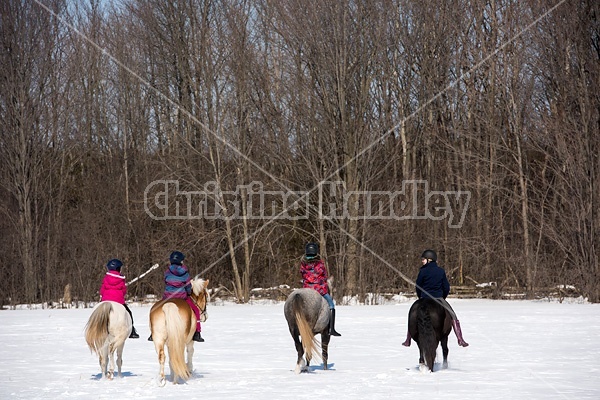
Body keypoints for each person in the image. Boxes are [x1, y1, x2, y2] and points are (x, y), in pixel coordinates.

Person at [402, 249, 469, 347]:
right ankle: (460, 339)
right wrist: (443, 297)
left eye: (423, 259)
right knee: (452, 315)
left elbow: (418, 286)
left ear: (429, 260)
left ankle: (408, 340)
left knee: (413, 315)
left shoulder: (422, 271)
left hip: (424, 298)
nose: (422, 261)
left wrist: (420, 296)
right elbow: (446, 287)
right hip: (438, 298)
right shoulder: (441, 271)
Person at [148, 251, 204, 342]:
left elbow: (166, 282)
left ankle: (153, 333)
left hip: (168, 297)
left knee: (155, 309)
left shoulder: (167, 272)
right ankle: (197, 332)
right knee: (196, 310)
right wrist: (188, 292)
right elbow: (188, 286)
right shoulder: (185, 274)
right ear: (181, 261)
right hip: (182, 297)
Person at [300, 242, 341, 336]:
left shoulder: (303, 264)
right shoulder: (320, 264)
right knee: (331, 304)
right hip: (319, 289)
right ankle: (331, 329)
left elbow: (302, 273)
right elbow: (323, 275)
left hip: (307, 289)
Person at [99, 258, 139, 338]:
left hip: (106, 300)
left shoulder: (106, 278)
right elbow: (124, 291)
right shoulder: (121, 279)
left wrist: (102, 296)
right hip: (118, 301)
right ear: (118, 268)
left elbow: (102, 289)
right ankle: (132, 331)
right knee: (129, 313)